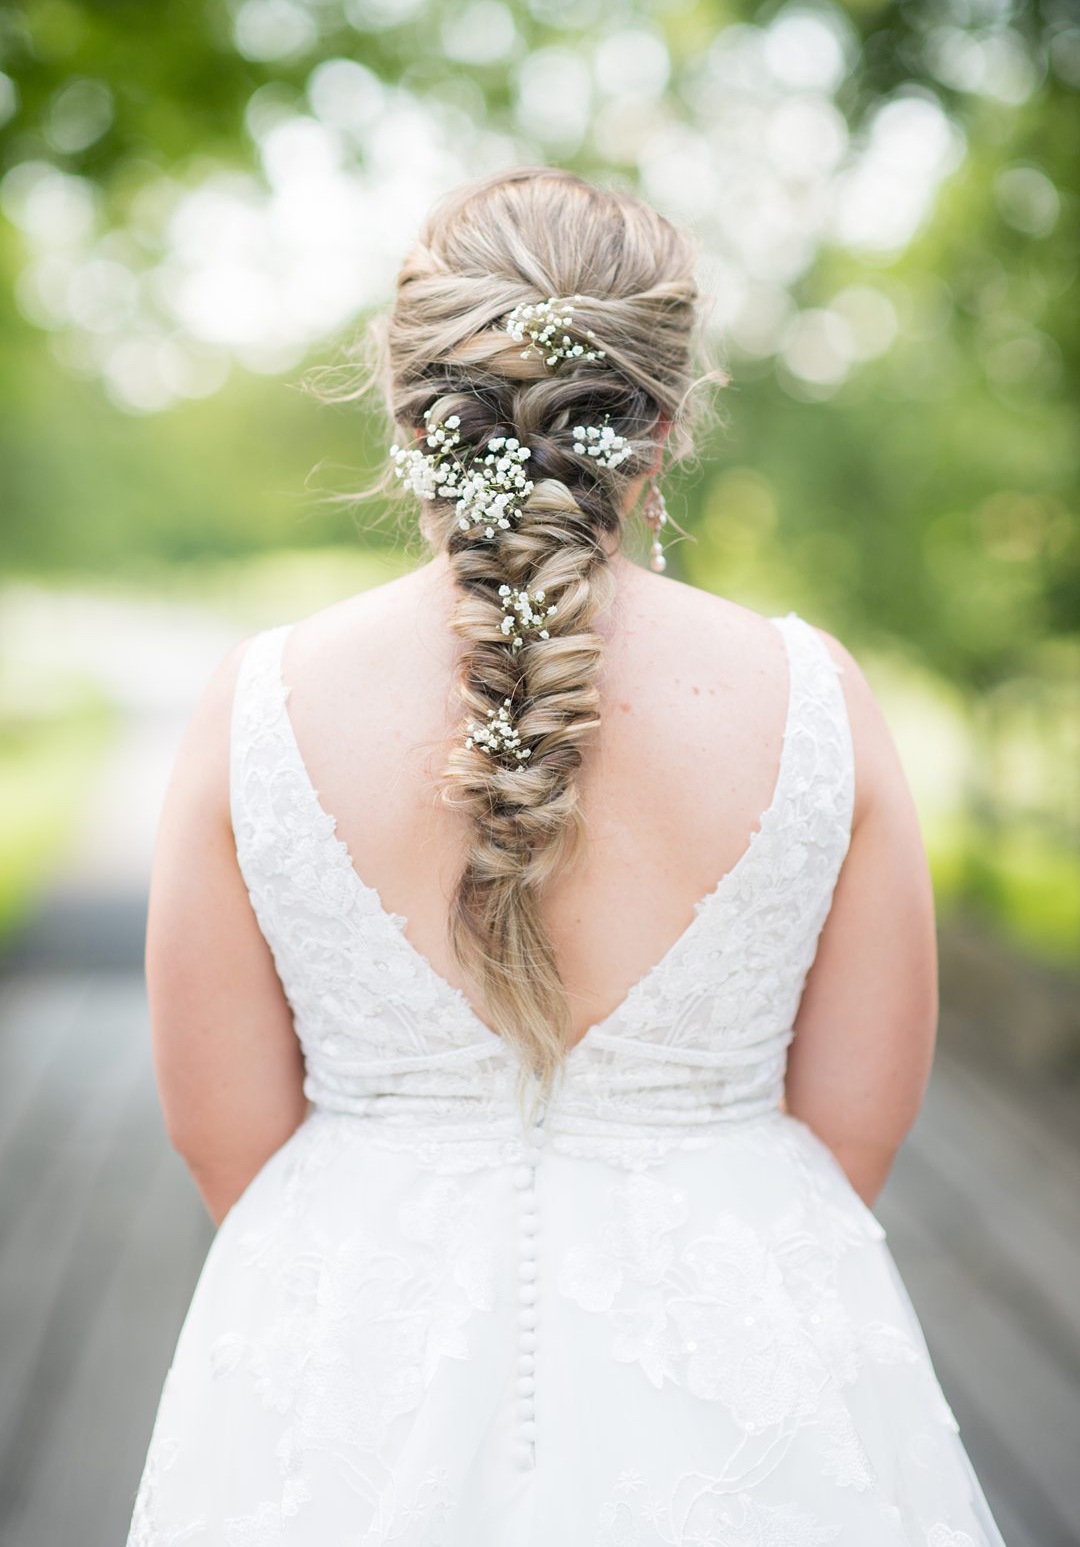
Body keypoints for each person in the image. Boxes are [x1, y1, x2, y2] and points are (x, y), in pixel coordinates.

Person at [127, 167, 1006, 1545]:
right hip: (743, 1352)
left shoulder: (260, 705)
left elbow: (221, 1133)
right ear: (661, 427)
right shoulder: (814, 697)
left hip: (347, 1351)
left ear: (415, 421)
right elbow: (858, 1127)